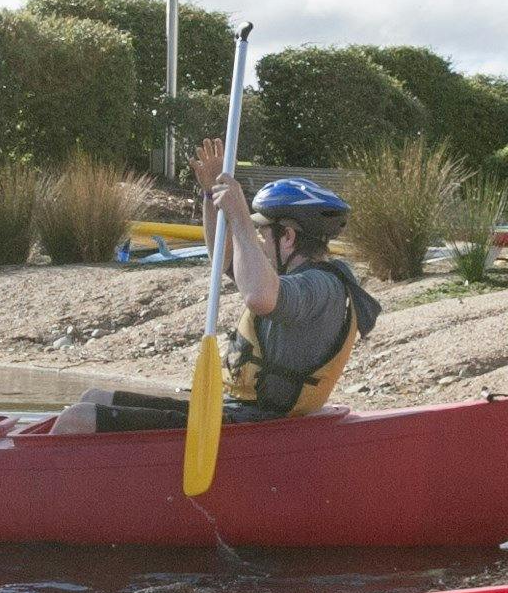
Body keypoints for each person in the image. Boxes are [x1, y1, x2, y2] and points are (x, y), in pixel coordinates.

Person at [56, 153, 382, 433]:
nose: (257, 240)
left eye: (262, 233)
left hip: (256, 425)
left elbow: (259, 297)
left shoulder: (320, 286)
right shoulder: (284, 276)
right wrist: (211, 195)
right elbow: (223, 261)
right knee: (92, 398)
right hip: (238, 411)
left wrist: (240, 213)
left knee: (78, 420)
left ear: (288, 238)